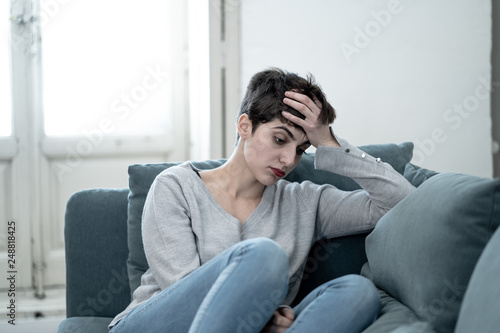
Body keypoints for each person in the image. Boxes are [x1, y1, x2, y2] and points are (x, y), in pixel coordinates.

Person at [109, 68, 415, 333]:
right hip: (156, 325)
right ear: (245, 126)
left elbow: (399, 201)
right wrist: (260, 319)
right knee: (263, 255)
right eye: (280, 139)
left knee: (358, 292)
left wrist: (328, 141)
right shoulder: (175, 186)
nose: (288, 159)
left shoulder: (305, 202)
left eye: (301, 149)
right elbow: (183, 291)